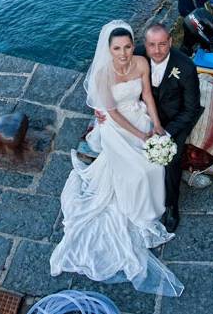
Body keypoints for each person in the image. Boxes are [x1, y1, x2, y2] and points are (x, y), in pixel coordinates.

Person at [49, 20, 183, 297]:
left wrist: (156, 127)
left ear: (133, 46)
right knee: (139, 170)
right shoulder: (102, 74)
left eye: (127, 47)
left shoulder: (141, 64)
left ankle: (153, 207)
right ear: (109, 50)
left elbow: (146, 95)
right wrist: (140, 135)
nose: (123, 53)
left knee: (155, 165)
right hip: (116, 128)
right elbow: (113, 113)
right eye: (116, 48)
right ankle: (137, 209)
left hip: (140, 117)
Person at [135, 23, 202, 233]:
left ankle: (172, 205)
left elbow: (190, 109)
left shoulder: (186, 67)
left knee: (171, 160)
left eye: (162, 44)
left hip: (176, 120)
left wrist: (167, 132)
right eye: (152, 45)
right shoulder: (137, 55)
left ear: (171, 42)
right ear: (145, 44)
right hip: (145, 114)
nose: (157, 50)